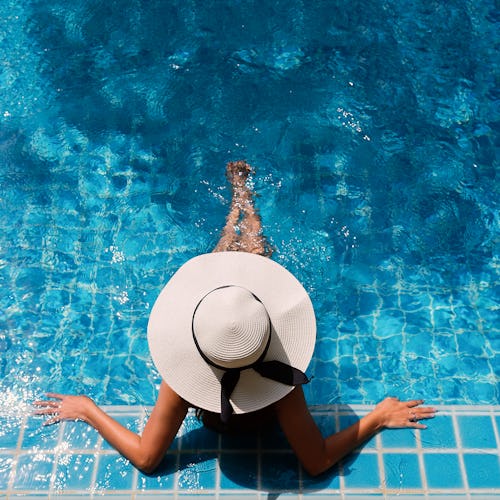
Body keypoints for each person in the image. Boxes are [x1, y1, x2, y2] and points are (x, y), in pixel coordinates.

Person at [34, 161, 436, 477]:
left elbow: (146, 457)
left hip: (220, 352)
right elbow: (316, 462)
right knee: (246, 277)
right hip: (254, 352)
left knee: (224, 285)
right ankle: (245, 201)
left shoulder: (181, 382)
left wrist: (89, 409)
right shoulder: (281, 378)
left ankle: (237, 206)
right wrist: (378, 417)